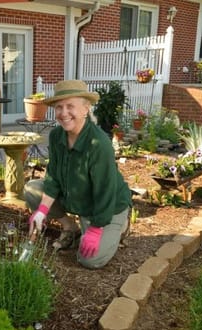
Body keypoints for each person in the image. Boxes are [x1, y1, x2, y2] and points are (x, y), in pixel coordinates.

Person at [24, 80, 132, 269]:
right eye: (59, 107)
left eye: (70, 106)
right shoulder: (57, 136)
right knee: (32, 189)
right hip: (78, 200)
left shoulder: (98, 144)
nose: (63, 113)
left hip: (108, 206)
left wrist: (96, 229)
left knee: (89, 260)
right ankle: (70, 227)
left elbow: (105, 192)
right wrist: (41, 212)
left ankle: (119, 226)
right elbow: (53, 177)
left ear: (85, 109)